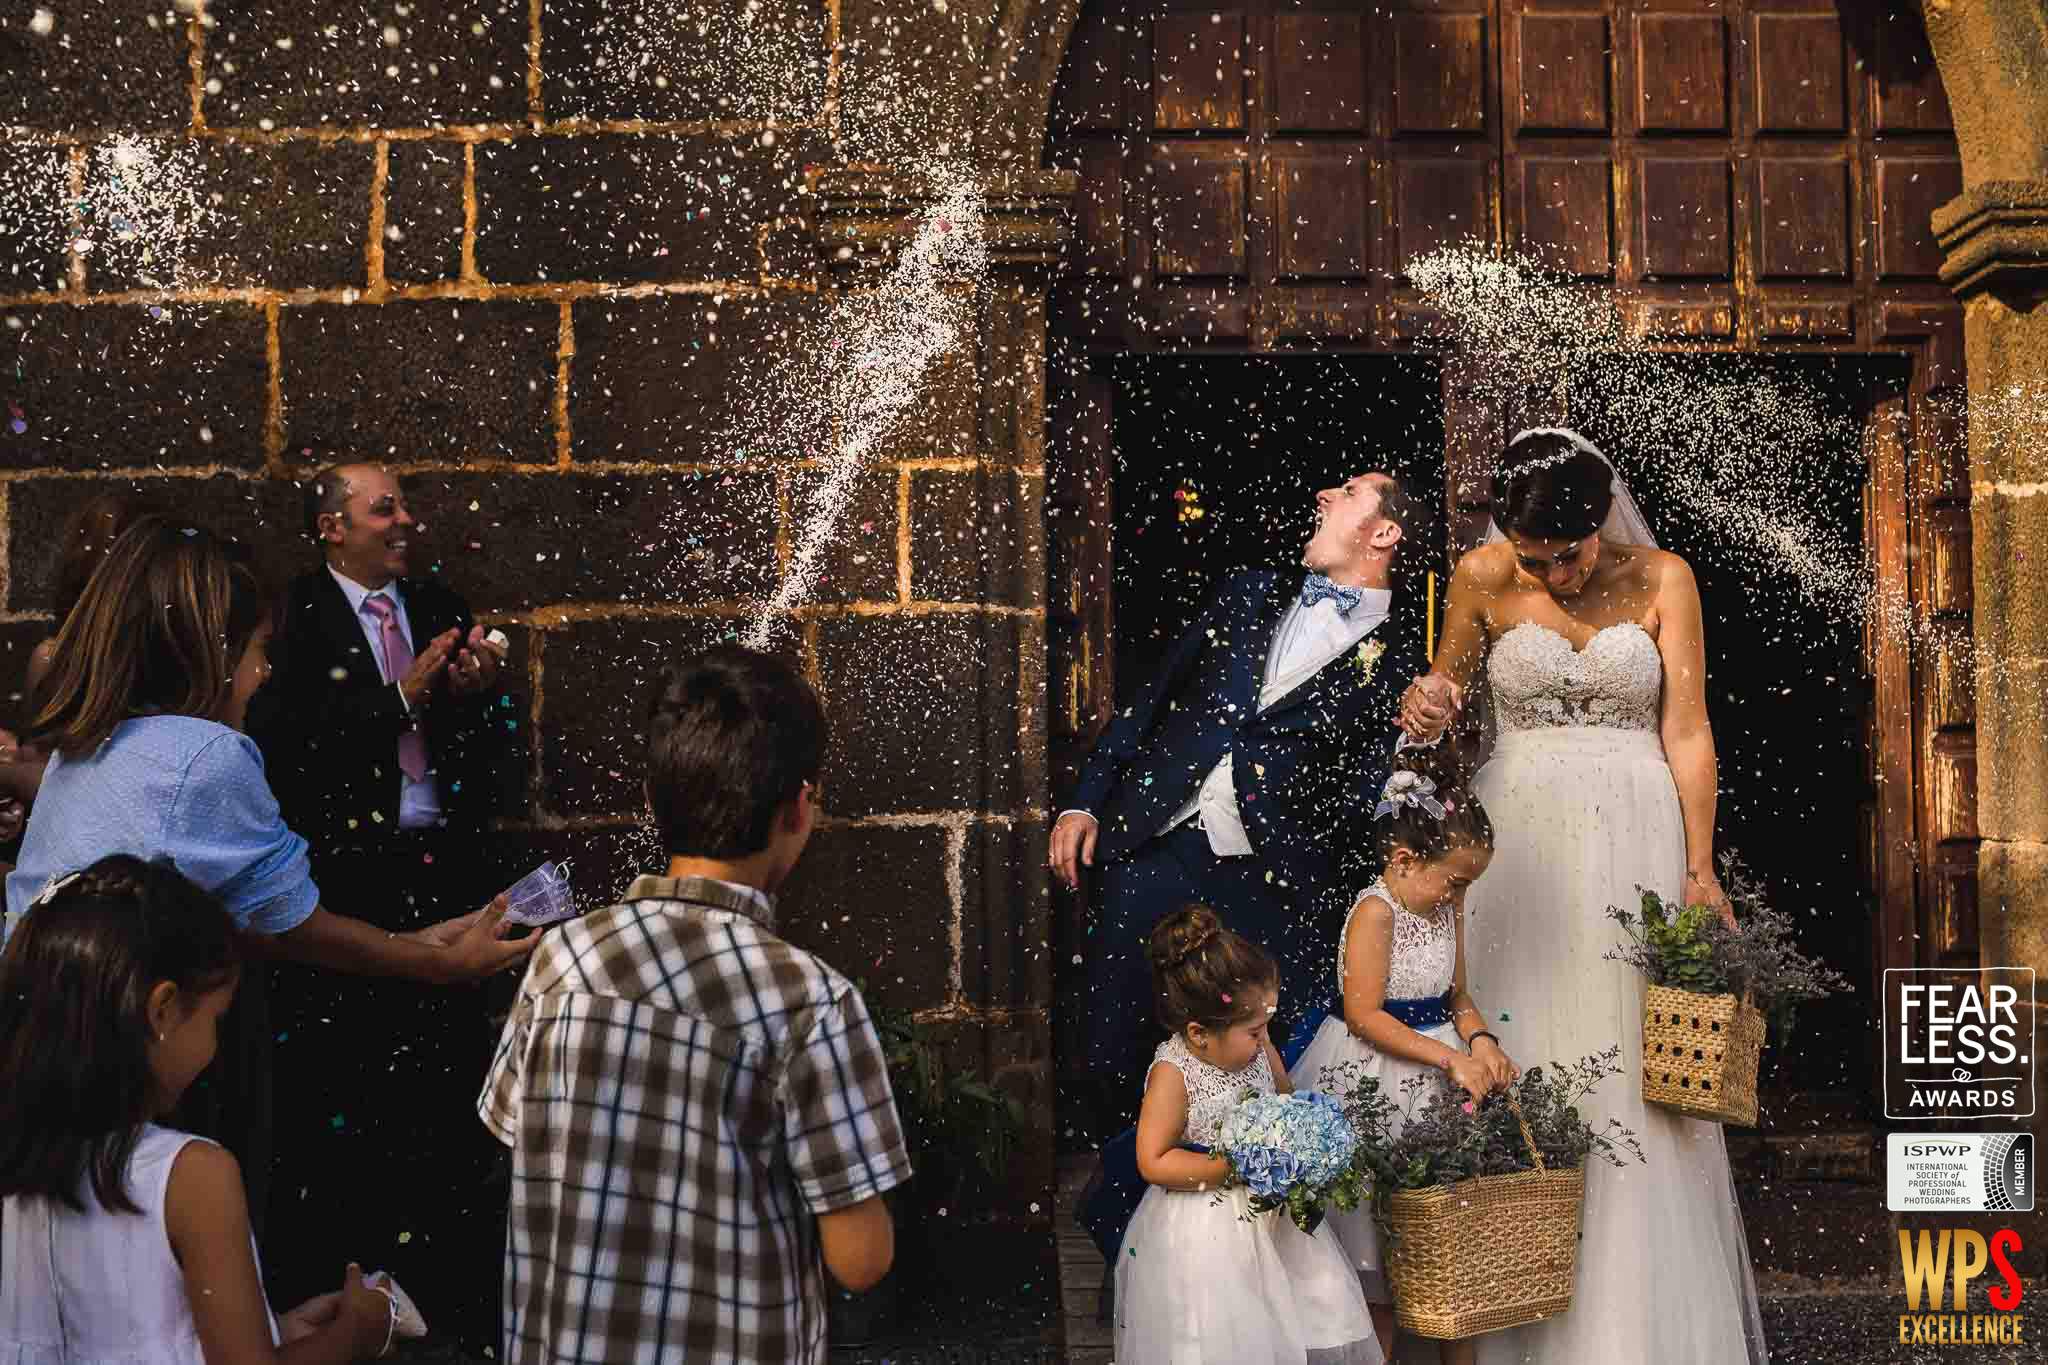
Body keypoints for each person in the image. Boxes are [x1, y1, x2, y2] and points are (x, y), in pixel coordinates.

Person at [1, 516, 533, 1245]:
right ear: (209, 654)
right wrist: (437, 958)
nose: (265, 673)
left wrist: (414, 942)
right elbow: (292, 924)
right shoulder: (206, 755)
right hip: (128, 1082)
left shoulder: (87, 746)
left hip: (42, 1078)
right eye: (256, 652)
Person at [1397, 427, 1767, 1363]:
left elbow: (1687, 731)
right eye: (1537, 560)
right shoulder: (1478, 577)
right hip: (1519, 844)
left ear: (1602, 524)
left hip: (1634, 841)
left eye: (1571, 555)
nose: (1557, 575)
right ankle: (1518, 1303)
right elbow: (1449, 690)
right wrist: (1431, 698)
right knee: (1529, 1050)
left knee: (1637, 1080)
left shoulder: (1664, 578)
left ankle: (1633, 1334)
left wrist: (1699, 866)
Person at [478, 645, 911, 1365]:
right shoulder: (810, 1000)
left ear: (652, 801)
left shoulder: (565, 960)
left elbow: (513, 1135)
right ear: (798, 810)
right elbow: (860, 1258)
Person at [1052, 472, 1427, 1131]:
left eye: (1345, 492)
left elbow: (1367, 791)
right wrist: (1084, 802)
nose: (1324, 494)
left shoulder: (1399, 660)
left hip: (1263, 880)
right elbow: (1152, 700)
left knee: (1246, 1082)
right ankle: (1123, 1217)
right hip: (1151, 845)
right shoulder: (1248, 592)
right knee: (1109, 1055)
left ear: (1383, 532)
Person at [246, 460, 521, 1346]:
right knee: (346, 1091)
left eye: (402, 504)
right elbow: (286, 745)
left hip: (442, 864)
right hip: (344, 879)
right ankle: (353, 1299)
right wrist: (395, 699)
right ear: (331, 528)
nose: (405, 520)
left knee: (447, 1090)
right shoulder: (292, 619)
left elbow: (492, 748)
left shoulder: (438, 604)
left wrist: (476, 694)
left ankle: (448, 1297)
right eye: (383, 508)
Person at [0, 853, 398, 1364]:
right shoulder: (192, 1177)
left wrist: (276, 1329)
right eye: (215, 1019)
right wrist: (357, 1333)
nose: (215, 1047)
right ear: (162, 1011)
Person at [1291, 752, 1513, 1365]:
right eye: (1455, 881)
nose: (1458, 897)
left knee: (1451, 1251)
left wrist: (1481, 1041)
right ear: (1404, 861)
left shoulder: (1447, 909)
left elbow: (1459, 996)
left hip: (1444, 1074)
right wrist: (1448, 1058)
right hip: (1376, 1074)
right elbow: (1364, 1014)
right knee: (1379, 1253)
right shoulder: (1375, 912)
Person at [1113, 904, 1379, 1365]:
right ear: (1199, 1033)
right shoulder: (1175, 1073)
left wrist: (1300, 1139)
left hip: (1274, 1223)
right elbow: (1153, 1160)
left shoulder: (1258, 1050)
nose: (1265, 1041)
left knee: (1306, 1315)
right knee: (1228, 1340)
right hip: (1206, 1232)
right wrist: (1238, 1165)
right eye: (1255, 1031)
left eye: (1266, 1028)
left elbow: (1283, 1097)